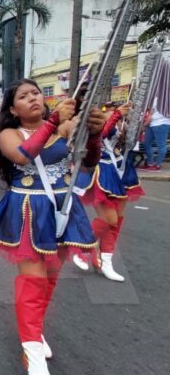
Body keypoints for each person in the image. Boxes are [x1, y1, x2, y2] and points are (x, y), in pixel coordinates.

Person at [0, 79, 104, 375]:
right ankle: (32, 351)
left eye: (36, 93)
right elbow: (23, 156)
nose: (32, 98)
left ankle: (34, 330)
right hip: (28, 211)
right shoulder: (10, 133)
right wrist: (54, 121)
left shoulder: (64, 127)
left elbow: (89, 160)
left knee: (50, 279)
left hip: (63, 210)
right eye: (23, 96)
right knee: (33, 281)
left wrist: (94, 132)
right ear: (13, 109)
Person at [73, 102, 143, 281]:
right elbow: (99, 135)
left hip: (120, 169)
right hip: (101, 170)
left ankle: (106, 261)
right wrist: (116, 115)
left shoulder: (119, 121)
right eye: (107, 109)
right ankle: (82, 250)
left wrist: (131, 122)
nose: (110, 110)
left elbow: (128, 143)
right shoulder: (92, 122)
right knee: (109, 219)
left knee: (116, 221)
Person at [139, 99, 170, 171]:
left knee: (161, 145)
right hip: (152, 123)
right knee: (146, 143)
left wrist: (143, 125)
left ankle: (158, 165)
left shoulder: (165, 97)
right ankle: (150, 163)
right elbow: (150, 113)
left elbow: (150, 114)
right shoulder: (155, 98)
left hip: (162, 123)